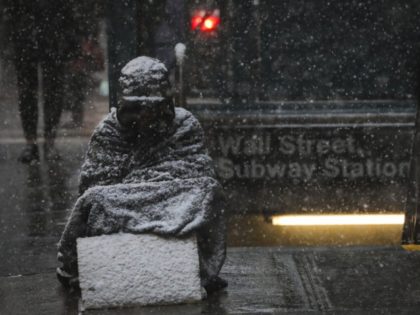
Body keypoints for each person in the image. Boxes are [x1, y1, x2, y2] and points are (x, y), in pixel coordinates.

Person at [57, 56, 227, 294]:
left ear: (165, 104)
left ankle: (188, 262)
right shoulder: (109, 132)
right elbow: (95, 189)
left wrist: (143, 187)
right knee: (95, 201)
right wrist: (148, 188)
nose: (145, 116)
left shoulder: (184, 125)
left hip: (173, 206)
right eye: (138, 108)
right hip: (128, 210)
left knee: (208, 192)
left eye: (152, 108)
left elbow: (196, 175)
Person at [4, 0, 78, 163]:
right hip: (32, 38)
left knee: (48, 93)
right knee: (34, 93)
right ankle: (36, 142)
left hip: (47, 38)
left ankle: (43, 142)